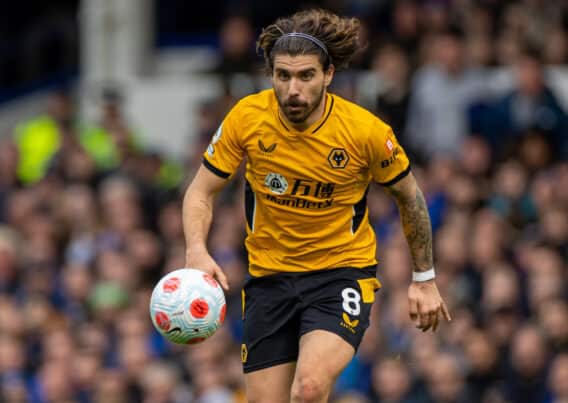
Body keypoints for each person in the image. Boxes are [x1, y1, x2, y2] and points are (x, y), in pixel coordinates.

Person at [182, 9, 451, 403]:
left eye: (306, 75)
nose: (293, 89)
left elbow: (409, 196)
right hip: (269, 280)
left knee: (308, 389)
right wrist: (196, 249)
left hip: (339, 275)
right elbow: (201, 191)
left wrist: (424, 278)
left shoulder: (365, 132)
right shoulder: (247, 118)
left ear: (328, 75)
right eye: (282, 75)